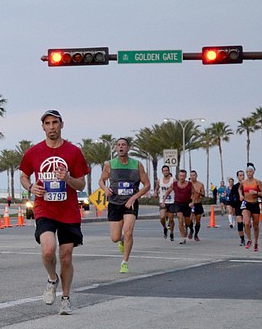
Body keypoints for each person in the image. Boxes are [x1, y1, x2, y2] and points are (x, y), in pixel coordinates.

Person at [19, 109, 88, 315]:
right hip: (45, 209)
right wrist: (31, 188)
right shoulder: (34, 152)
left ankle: (65, 299)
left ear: (61, 125)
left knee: (66, 257)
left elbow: (81, 183)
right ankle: (52, 278)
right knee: (48, 250)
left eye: (55, 123)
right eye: (47, 123)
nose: (51, 127)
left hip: (68, 212)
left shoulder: (73, 152)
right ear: (43, 127)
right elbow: (23, 176)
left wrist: (67, 179)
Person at [98, 137, 150, 274]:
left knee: (128, 231)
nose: (121, 147)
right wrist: (105, 188)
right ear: (116, 148)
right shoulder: (110, 164)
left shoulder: (137, 164)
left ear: (128, 148)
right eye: (118, 145)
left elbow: (147, 185)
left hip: (130, 204)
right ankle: (121, 240)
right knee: (115, 238)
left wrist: (134, 197)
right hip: (114, 203)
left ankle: (124, 262)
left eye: (123, 145)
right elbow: (101, 180)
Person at [163, 169, 192, 244]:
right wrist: (163, 201)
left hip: (187, 204)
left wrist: (193, 202)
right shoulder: (174, 184)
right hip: (178, 204)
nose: (182, 177)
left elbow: (194, 194)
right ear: (178, 176)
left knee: (187, 221)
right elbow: (168, 192)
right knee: (180, 220)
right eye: (180, 176)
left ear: (185, 176)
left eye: (183, 176)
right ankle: (183, 238)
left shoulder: (189, 184)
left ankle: (187, 227)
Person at [241, 163, 262, 251]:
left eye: (250, 172)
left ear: (253, 172)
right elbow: (239, 189)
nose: (249, 173)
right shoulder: (243, 182)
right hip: (246, 204)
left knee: (256, 226)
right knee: (246, 223)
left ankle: (256, 242)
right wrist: (240, 196)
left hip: (255, 204)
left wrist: (256, 193)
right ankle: (249, 240)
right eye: (247, 172)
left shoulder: (257, 182)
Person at [158, 165, 176, 241]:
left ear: (169, 171)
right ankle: (165, 228)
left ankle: (171, 232)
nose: (165, 172)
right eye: (164, 171)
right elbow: (156, 188)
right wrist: (155, 193)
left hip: (171, 201)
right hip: (162, 201)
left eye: (166, 170)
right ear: (162, 172)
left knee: (171, 219)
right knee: (162, 217)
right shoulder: (160, 180)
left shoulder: (173, 180)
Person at [228, 171, 246, 245]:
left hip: (247, 206)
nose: (242, 177)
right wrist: (233, 206)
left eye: (243, 175)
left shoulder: (247, 185)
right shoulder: (235, 187)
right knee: (239, 223)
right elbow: (231, 196)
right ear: (238, 177)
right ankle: (242, 239)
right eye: (240, 175)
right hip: (238, 206)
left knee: (246, 223)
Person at [189, 170, 206, 241]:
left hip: (198, 203)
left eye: (194, 175)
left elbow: (203, 194)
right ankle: (191, 230)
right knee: (189, 220)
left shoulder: (200, 184)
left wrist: (199, 193)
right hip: (190, 204)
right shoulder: (188, 184)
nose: (192, 177)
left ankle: (196, 234)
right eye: (191, 175)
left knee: (198, 220)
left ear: (196, 176)